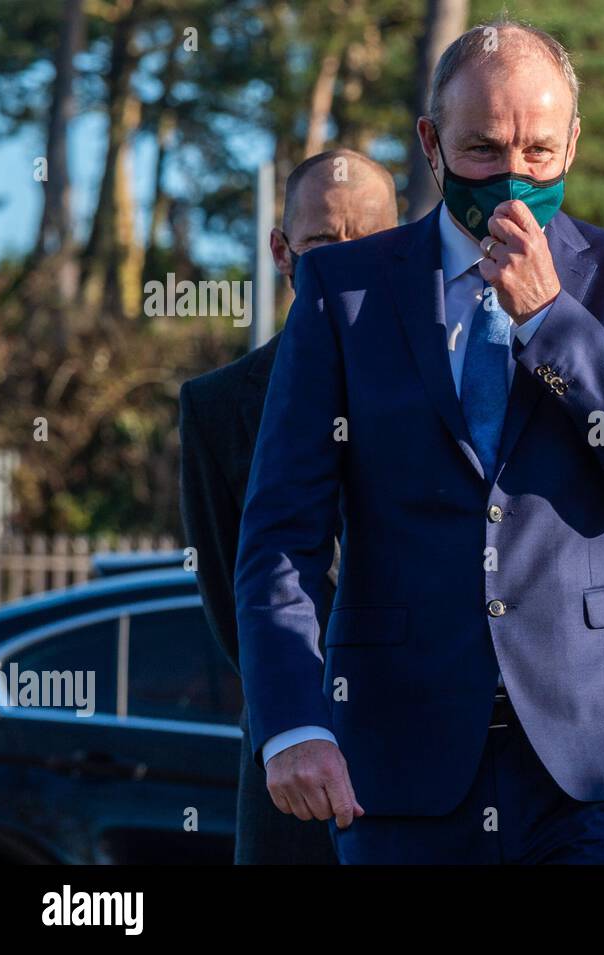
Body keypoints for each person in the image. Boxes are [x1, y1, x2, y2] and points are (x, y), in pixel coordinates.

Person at [233, 18, 604, 865]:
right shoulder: (343, 292)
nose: (515, 177)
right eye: (486, 150)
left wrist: (554, 319)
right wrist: (294, 720)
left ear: (574, 141)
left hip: (593, 762)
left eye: (539, 150)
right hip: (397, 756)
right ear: (432, 142)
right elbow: (282, 534)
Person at [179, 147, 398, 864]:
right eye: (322, 244)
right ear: (281, 251)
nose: (345, 264)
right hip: (295, 770)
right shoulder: (217, 407)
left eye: (366, 242)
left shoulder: (459, 378)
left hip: (440, 754)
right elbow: (232, 595)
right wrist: (301, 719)